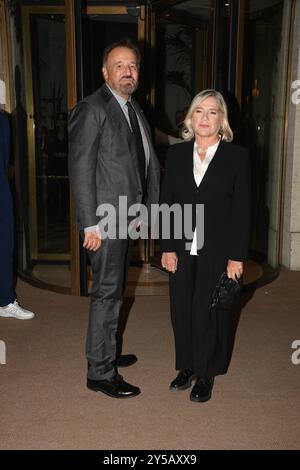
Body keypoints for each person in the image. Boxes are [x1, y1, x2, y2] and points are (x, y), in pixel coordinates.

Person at [68, 39, 160, 399]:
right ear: (105, 72)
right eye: (119, 65)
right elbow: (81, 168)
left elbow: (144, 162)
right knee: (106, 294)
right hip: (104, 221)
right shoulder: (92, 108)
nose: (128, 71)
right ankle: (100, 372)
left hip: (125, 217)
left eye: (133, 65)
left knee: (116, 290)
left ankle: (108, 351)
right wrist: (89, 224)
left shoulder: (132, 107)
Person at [160, 89, 251, 402]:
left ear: (222, 120)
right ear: (190, 117)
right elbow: (167, 203)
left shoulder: (237, 157)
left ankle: (206, 372)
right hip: (182, 246)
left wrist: (237, 257)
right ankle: (186, 366)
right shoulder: (175, 155)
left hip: (219, 247)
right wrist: (168, 246)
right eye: (199, 111)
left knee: (209, 309)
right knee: (181, 307)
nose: (205, 118)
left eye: (213, 112)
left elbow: (242, 210)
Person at [0, 83, 35, 320]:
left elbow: (5, 161)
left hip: (1, 190)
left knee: (4, 242)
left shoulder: (3, 120)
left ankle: (4, 300)